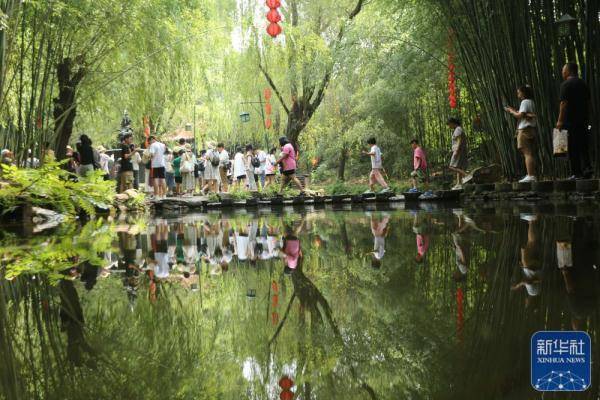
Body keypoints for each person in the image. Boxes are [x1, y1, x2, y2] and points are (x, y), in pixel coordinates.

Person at [556, 62, 592, 179]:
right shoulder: (583, 84)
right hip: (584, 120)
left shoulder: (566, 84)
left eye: (563, 70)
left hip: (570, 121)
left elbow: (563, 103)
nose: (562, 72)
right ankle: (587, 168)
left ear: (568, 71)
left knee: (572, 147)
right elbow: (588, 102)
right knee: (583, 145)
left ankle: (577, 173)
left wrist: (560, 121)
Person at [505, 85, 537, 183]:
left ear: (523, 93)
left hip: (524, 130)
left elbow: (519, 115)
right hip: (531, 129)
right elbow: (525, 114)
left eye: (519, 92)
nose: (518, 94)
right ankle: (531, 174)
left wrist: (511, 111)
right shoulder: (531, 102)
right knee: (529, 153)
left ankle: (531, 176)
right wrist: (515, 110)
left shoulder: (524, 102)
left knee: (527, 153)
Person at [447, 117, 468, 190]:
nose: (449, 126)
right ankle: (459, 184)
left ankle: (466, 175)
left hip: (458, 150)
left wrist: (456, 150)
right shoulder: (458, 129)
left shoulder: (458, 129)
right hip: (460, 150)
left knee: (452, 166)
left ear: (452, 123)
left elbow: (459, 140)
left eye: (449, 124)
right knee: (459, 167)